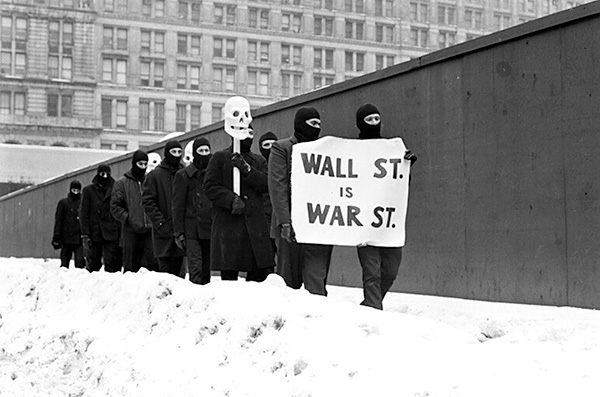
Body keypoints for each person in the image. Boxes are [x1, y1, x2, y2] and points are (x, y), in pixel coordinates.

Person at [354, 103, 417, 310]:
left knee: (390, 270)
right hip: (363, 219)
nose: (374, 123)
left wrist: (405, 167)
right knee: (371, 270)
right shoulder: (351, 151)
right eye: (368, 120)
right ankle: (374, 309)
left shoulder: (391, 149)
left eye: (376, 119)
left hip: (387, 220)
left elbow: (399, 187)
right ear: (360, 124)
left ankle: (370, 303)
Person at [268, 107, 333, 296]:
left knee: (317, 283)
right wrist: (285, 221)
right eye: (313, 124)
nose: (317, 128)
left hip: (319, 225)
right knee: (289, 283)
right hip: (291, 225)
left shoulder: (326, 150)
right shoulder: (282, 148)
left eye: (319, 124)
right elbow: (277, 187)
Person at [203, 135, 274, 282]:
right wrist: (231, 199)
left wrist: (247, 169)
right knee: (229, 276)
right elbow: (210, 186)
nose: (246, 137)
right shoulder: (219, 158)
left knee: (257, 276)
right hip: (229, 227)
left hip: (253, 227)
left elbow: (265, 184)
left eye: (250, 134)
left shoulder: (259, 161)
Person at [172, 137, 213, 285]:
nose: (204, 153)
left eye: (206, 150)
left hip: (209, 226)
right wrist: (178, 232)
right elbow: (177, 205)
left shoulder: (213, 174)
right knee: (196, 268)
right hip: (191, 229)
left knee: (206, 268)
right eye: (200, 150)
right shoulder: (183, 175)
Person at [110, 149, 158, 273]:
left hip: (149, 229)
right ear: (134, 163)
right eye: (140, 164)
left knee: (152, 264)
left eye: (145, 164)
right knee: (130, 265)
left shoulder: (150, 181)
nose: (142, 167)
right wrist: (128, 218)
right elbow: (115, 206)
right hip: (130, 230)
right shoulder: (122, 183)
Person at [142, 140, 185, 276]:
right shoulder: (155, 175)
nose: (177, 155)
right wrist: (160, 222)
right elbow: (148, 201)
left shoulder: (184, 173)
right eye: (174, 152)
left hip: (180, 231)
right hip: (163, 232)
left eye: (179, 152)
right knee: (165, 272)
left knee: (180, 272)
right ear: (167, 153)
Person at [80, 164, 121, 272]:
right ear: (98, 174)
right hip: (95, 232)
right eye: (102, 174)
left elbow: (120, 210)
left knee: (112, 264)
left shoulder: (116, 189)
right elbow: (84, 213)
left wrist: (118, 228)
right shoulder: (88, 191)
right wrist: (85, 234)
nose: (105, 177)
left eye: (107, 174)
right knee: (93, 264)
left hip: (111, 231)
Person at [52, 180, 85, 269]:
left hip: (79, 237)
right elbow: (59, 220)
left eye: (77, 191)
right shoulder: (63, 203)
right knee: (64, 263)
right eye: (74, 190)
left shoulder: (83, 203)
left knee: (80, 263)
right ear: (70, 190)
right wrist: (57, 236)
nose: (76, 193)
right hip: (66, 237)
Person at [258, 131, 278, 260]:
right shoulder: (258, 165)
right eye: (266, 145)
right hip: (263, 215)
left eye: (273, 144)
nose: (270, 148)